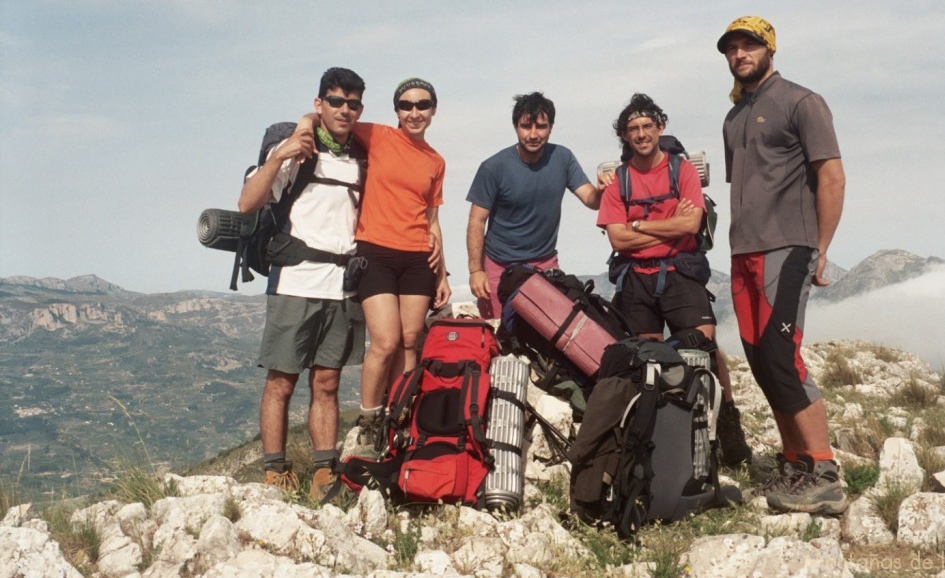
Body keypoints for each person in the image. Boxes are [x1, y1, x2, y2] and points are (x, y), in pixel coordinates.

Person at [717, 16, 847, 514]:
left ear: (769, 48)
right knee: (761, 357)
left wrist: (821, 247)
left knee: (782, 353)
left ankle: (824, 472)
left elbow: (831, 178)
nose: (740, 53)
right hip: (742, 251)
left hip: (788, 246)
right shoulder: (734, 117)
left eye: (749, 44)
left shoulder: (801, 101)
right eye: (731, 48)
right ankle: (796, 463)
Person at [293, 78, 451, 454]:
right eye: (406, 106)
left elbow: (431, 220)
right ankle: (369, 421)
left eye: (422, 105)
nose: (414, 112)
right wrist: (302, 126)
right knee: (385, 341)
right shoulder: (377, 135)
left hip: (417, 257)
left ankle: (402, 416)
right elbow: (324, 119)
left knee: (412, 340)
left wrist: (442, 272)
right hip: (376, 251)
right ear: (396, 110)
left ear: (433, 110)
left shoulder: (435, 161)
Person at [597, 93, 752, 467]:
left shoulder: (681, 170)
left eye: (647, 126)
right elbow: (617, 239)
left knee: (706, 350)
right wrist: (667, 229)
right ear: (624, 135)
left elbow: (692, 223)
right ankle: (658, 439)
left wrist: (640, 225)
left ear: (660, 127)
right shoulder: (617, 181)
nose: (641, 134)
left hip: (681, 273)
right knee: (646, 363)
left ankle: (727, 424)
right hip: (636, 281)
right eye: (633, 129)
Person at [238, 67, 367, 499]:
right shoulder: (295, 151)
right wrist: (282, 153)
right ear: (319, 104)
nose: (344, 110)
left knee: (328, 383)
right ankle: (275, 474)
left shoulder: (361, 157)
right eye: (335, 101)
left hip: (343, 285)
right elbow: (246, 203)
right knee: (281, 381)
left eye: (352, 103)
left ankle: (323, 474)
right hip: (295, 280)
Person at [466, 92, 604, 318]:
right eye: (525, 126)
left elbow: (591, 199)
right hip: (498, 265)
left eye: (540, 126)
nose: (533, 134)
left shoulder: (563, 157)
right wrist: (475, 270)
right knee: (500, 337)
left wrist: (604, 189)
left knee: (552, 333)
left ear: (551, 127)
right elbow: (476, 221)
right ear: (515, 126)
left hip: (544, 263)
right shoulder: (493, 167)